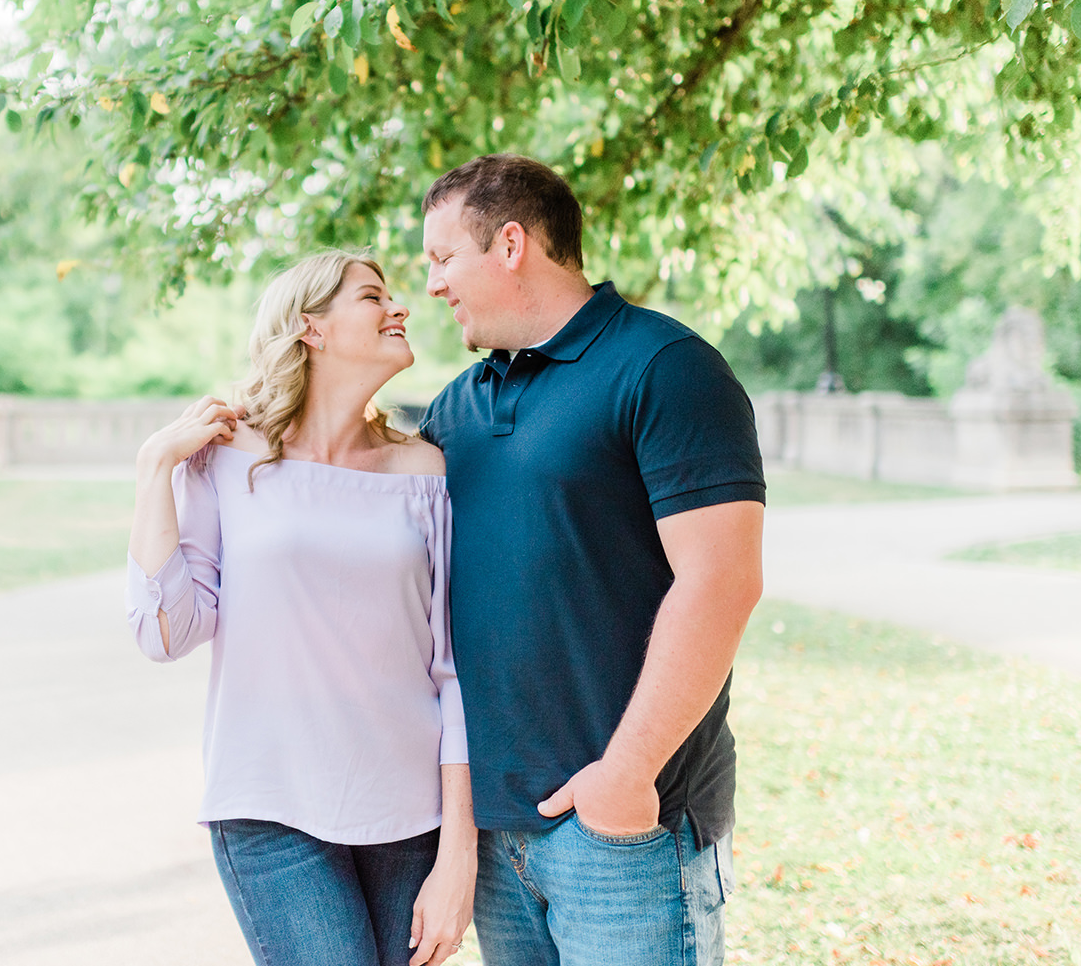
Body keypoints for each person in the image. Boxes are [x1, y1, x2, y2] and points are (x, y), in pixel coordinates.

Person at [419, 154, 766, 966]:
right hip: (497, 836)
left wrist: (624, 773)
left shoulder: (664, 367)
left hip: (624, 830)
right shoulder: (454, 408)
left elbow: (723, 580)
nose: (432, 285)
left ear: (510, 244)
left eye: (442, 259)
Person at [124, 250, 476, 966]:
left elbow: (453, 669)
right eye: (373, 296)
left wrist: (458, 855)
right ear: (311, 328)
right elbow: (166, 631)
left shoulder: (426, 470)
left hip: (409, 814)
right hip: (269, 803)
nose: (399, 307)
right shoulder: (226, 455)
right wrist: (154, 468)